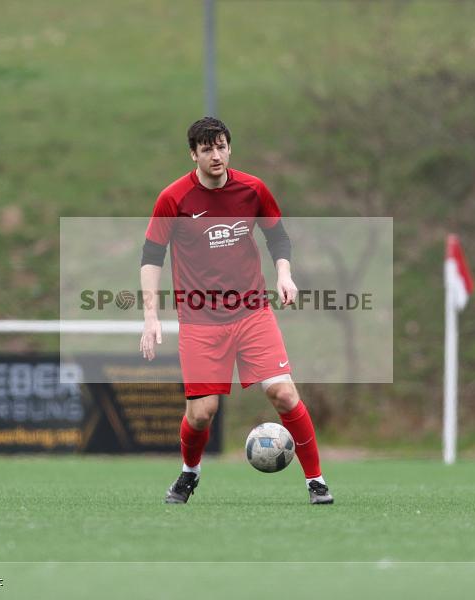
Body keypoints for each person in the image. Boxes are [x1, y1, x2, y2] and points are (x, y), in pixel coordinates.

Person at [139, 117, 333, 505]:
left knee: (283, 393)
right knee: (201, 414)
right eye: (207, 148)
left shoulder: (253, 189)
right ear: (193, 154)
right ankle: (189, 474)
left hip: (252, 312)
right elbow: (151, 257)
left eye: (222, 146)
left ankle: (316, 481)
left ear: (230, 148)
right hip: (199, 320)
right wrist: (150, 315)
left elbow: (277, 235)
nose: (216, 155)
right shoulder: (173, 199)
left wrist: (284, 274)